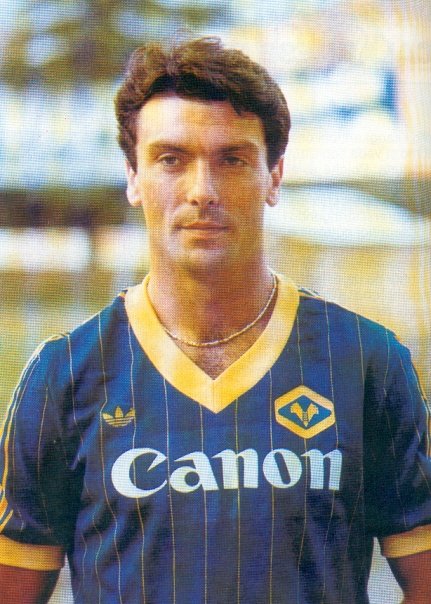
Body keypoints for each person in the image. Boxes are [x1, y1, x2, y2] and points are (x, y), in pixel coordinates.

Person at [0, 36, 430, 604]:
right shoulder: (64, 375)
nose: (202, 191)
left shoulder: (365, 360)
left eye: (232, 159)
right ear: (133, 177)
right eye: (170, 159)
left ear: (274, 176)